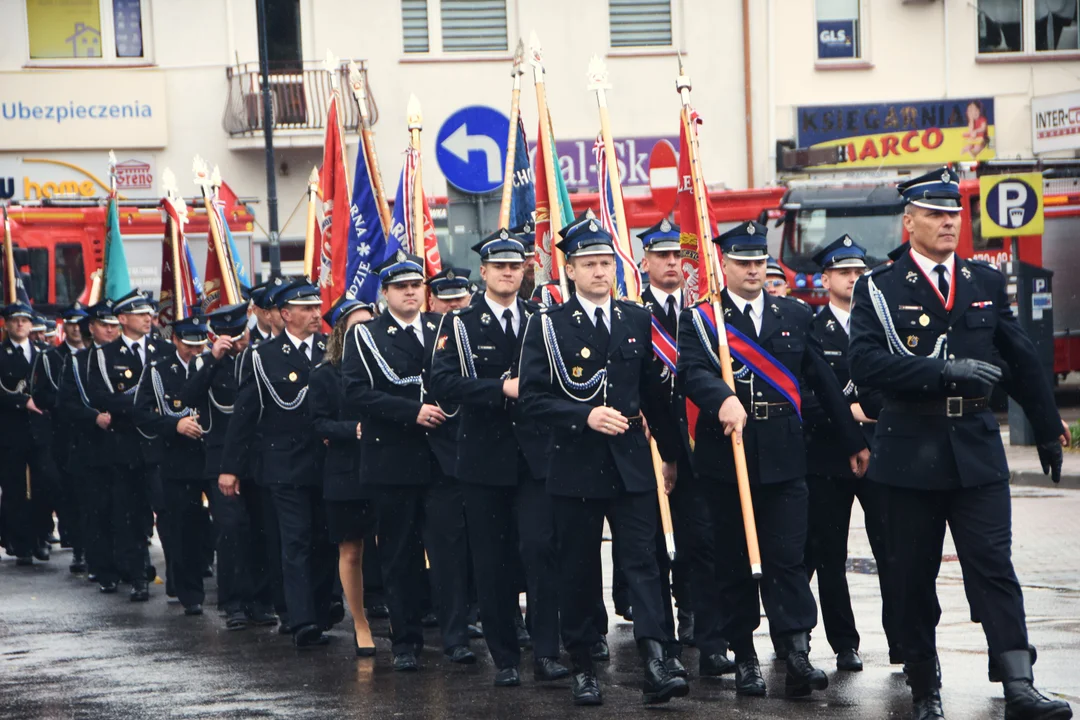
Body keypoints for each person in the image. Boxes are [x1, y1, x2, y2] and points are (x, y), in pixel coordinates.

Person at [848, 167, 1072, 720]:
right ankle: (925, 688)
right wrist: (942, 370)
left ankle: (1018, 683)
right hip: (908, 452)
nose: (949, 223)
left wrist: (1046, 427)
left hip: (975, 448)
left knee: (993, 565)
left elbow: (1019, 359)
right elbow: (866, 363)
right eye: (935, 214)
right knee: (911, 575)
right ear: (909, 222)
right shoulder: (878, 288)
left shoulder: (983, 283)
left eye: (954, 215)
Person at [676, 221, 868, 699]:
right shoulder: (703, 319)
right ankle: (743, 656)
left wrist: (852, 441)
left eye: (759, 261)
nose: (753, 270)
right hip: (728, 459)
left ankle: (797, 651)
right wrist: (721, 397)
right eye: (743, 262)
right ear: (724, 264)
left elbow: (822, 380)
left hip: (785, 457)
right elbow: (690, 371)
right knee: (737, 562)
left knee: (788, 558)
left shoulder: (793, 314)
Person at [519, 212, 689, 707]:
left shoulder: (635, 318)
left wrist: (672, 455)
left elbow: (654, 396)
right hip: (574, 464)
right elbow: (531, 399)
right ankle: (583, 665)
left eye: (606, 263)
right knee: (578, 567)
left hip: (631, 462)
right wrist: (583, 416)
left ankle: (656, 658)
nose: (600, 273)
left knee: (643, 562)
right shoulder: (548, 326)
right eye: (589, 264)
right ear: (569, 270)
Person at [430, 228, 569, 687]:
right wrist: (498, 390)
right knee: (490, 561)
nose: (508, 273)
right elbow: (444, 384)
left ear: (524, 270)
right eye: (499, 266)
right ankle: (506, 657)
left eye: (516, 265)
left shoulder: (541, 319)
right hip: (483, 458)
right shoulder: (460, 324)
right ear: (484, 272)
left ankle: (547, 651)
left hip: (535, 457)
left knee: (539, 549)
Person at [341, 251, 475, 672]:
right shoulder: (365, 335)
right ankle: (406, 641)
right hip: (392, 458)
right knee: (400, 556)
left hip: (440, 459)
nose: (412, 293)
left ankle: (456, 638)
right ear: (385, 293)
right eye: (402, 287)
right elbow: (355, 392)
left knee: (450, 552)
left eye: (417, 285)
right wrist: (410, 411)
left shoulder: (444, 327)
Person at [638, 219, 733, 676]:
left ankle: (704, 628)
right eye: (662, 256)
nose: (672, 263)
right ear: (645, 262)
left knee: (703, 543)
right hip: (649, 447)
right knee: (654, 548)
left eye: (678, 256)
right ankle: (664, 641)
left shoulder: (704, 313)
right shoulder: (633, 314)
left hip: (699, 445)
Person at [220, 279, 336, 648]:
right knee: (296, 540)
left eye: (317, 307)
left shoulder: (331, 348)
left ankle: (319, 609)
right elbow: (244, 414)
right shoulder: (262, 356)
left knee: (324, 539)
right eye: (306, 308)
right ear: (286, 315)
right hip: (285, 464)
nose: (316, 314)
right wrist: (231, 466)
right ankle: (301, 620)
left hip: (327, 462)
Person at [802, 235, 898, 671]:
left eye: (860, 272)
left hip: (882, 453)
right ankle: (844, 643)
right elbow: (805, 395)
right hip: (828, 455)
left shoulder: (882, 323)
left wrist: (868, 410)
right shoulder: (810, 327)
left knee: (894, 551)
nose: (854, 279)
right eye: (844, 272)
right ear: (826, 279)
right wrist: (851, 413)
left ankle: (904, 642)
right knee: (829, 555)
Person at [85, 289, 164, 601]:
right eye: (140, 313)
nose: (148, 318)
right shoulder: (105, 355)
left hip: (158, 443)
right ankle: (137, 575)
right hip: (126, 445)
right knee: (129, 514)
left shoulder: (160, 347)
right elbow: (102, 397)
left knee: (163, 511)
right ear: (122, 319)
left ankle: (181, 579)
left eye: (149, 313)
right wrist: (142, 405)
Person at [310, 296, 377, 657]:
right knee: (351, 549)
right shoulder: (325, 374)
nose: (365, 332)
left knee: (391, 548)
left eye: (370, 324)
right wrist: (352, 429)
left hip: (385, 467)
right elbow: (317, 422)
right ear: (341, 332)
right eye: (357, 326)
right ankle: (360, 622)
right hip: (346, 470)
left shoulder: (384, 365)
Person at [133, 314, 209, 616]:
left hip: (213, 456)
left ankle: (238, 599)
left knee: (230, 524)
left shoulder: (212, 366)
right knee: (183, 527)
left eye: (201, 344)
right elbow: (141, 413)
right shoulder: (158, 371)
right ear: (175, 340)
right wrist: (173, 425)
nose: (196, 350)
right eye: (190, 344)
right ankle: (190, 594)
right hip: (178, 459)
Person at [59, 300, 120, 585]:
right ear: (92, 327)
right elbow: (65, 404)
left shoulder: (130, 356)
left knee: (128, 512)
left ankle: (129, 566)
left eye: (114, 325)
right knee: (96, 510)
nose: (110, 330)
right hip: (91, 449)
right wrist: (92, 417)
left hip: (125, 448)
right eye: (105, 325)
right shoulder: (77, 362)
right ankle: (102, 567)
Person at [0, 302, 55, 565]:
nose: (20, 324)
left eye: (25, 320)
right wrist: (21, 402)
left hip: (40, 430)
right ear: (7, 324)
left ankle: (41, 537)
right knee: (15, 488)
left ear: (32, 324)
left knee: (44, 484)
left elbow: (55, 384)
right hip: (11, 431)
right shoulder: (1, 353)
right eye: (15, 320)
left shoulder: (44, 353)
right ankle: (20, 541)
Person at [48, 303, 90, 572]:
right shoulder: (55, 357)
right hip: (70, 437)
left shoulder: (100, 357)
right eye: (71, 324)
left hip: (102, 439)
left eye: (79, 324)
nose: (75, 328)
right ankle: (79, 547)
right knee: (75, 496)